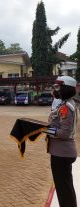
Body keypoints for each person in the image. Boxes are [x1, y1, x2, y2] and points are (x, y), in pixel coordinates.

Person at [44, 76, 78, 207]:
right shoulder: (66, 104)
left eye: (58, 87)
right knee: (65, 188)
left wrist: (45, 130)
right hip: (62, 152)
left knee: (64, 189)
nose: (55, 90)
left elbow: (64, 133)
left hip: (62, 153)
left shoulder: (66, 107)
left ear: (66, 89)